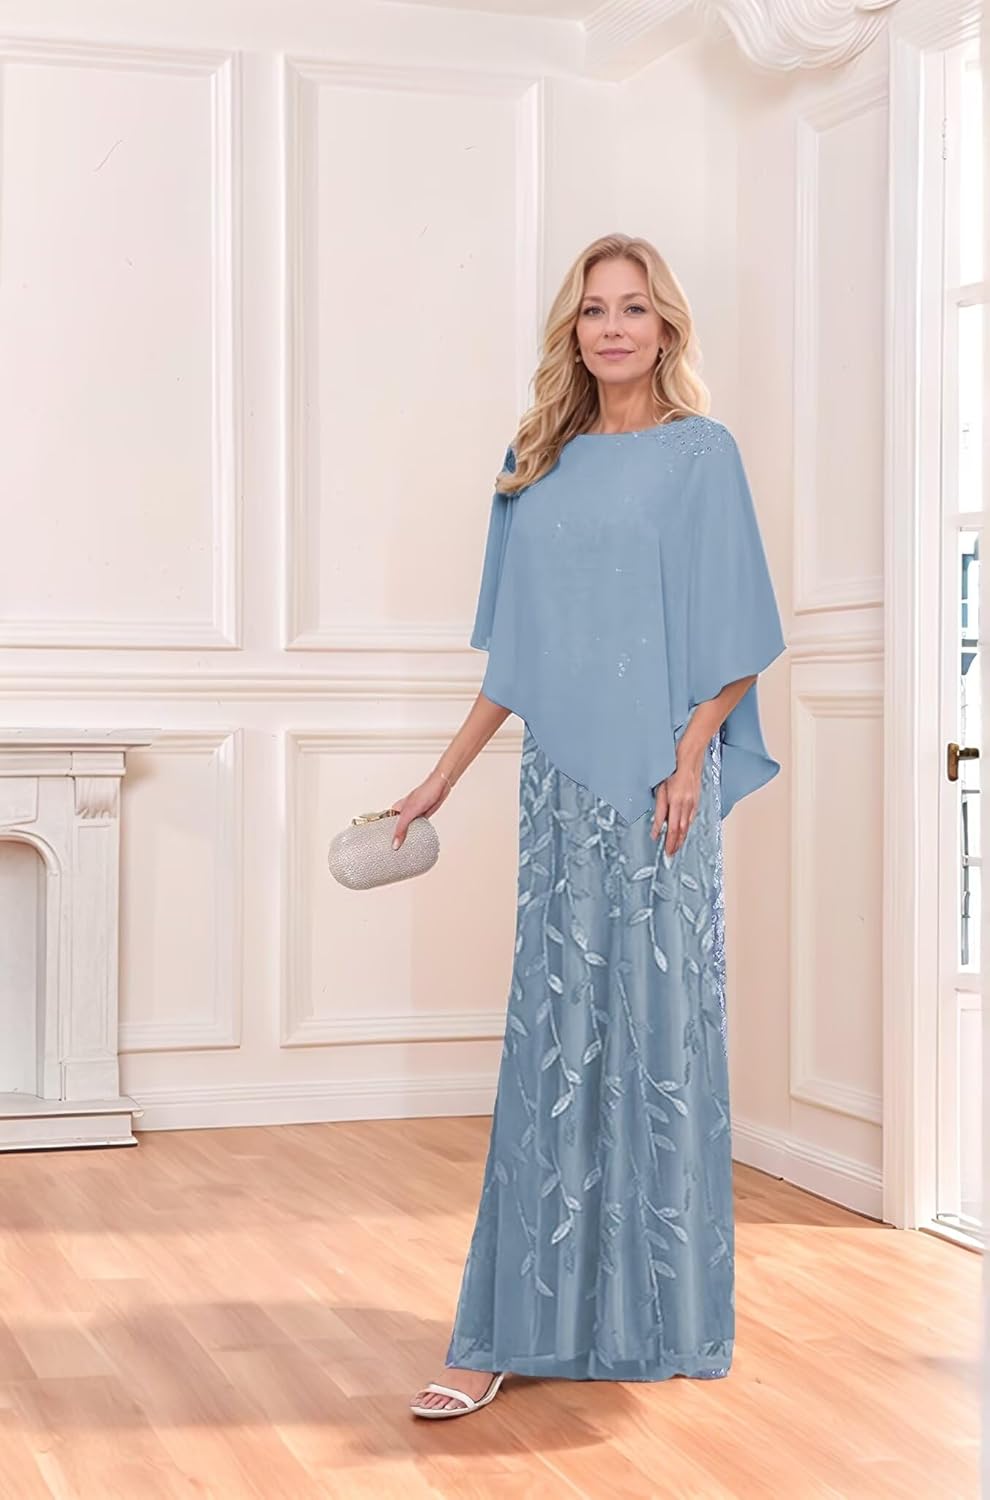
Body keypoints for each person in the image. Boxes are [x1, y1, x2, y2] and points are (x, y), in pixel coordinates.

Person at [393, 233, 786, 1418]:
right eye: (595, 309)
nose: (614, 328)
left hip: (664, 793)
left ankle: (656, 1316)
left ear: (666, 328)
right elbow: (517, 662)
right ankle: (506, 1330)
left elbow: (742, 629)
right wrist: (440, 778)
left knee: (661, 1044)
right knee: (555, 1052)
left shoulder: (702, 455)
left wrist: (691, 753)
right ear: (573, 329)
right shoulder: (535, 464)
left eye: (635, 308)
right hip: (561, 795)